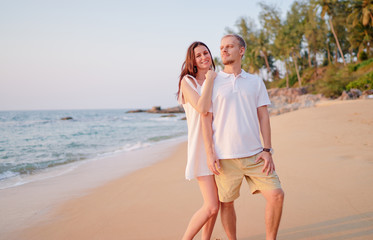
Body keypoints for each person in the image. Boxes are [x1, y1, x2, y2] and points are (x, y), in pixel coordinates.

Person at [201, 34, 285, 240]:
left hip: (256, 155)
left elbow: (264, 116)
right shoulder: (213, 80)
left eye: (229, 46)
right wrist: (210, 153)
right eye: (221, 47)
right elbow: (205, 119)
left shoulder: (255, 81)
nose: (224, 50)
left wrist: (267, 150)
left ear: (241, 50)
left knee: (276, 195)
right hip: (225, 157)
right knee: (226, 203)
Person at [177, 41, 220, 240]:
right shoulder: (188, 82)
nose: (204, 57)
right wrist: (210, 79)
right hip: (201, 148)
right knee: (211, 205)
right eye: (198, 55)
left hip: (219, 145)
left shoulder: (217, 79)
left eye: (206, 53)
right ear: (192, 61)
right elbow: (202, 108)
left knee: (217, 203)